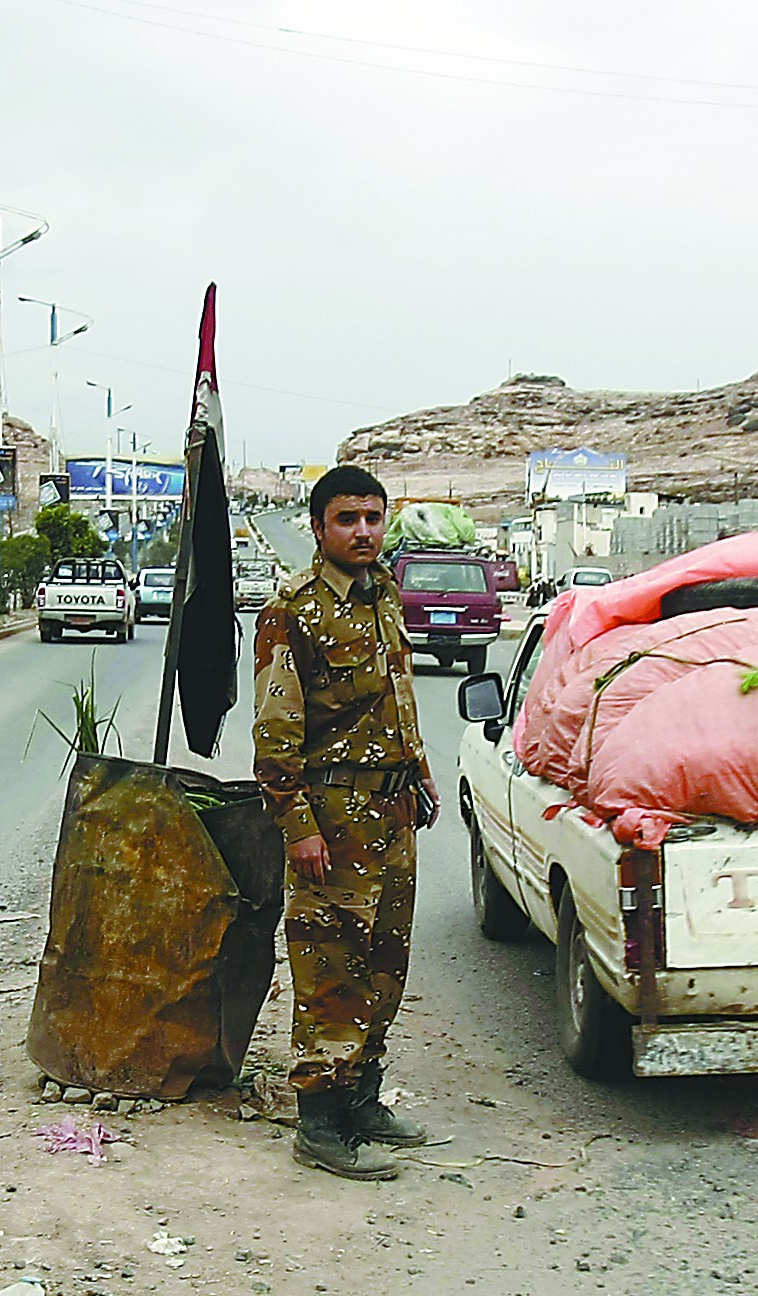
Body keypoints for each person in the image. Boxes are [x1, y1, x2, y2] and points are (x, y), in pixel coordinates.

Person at [252, 465, 442, 1180]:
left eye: (372, 516)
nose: (363, 531)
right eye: (347, 519)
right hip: (332, 820)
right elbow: (274, 733)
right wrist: (297, 825)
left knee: (385, 965)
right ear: (318, 527)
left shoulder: (383, 594)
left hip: (390, 815)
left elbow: (399, 696)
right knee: (330, 969)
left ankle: (364, 1100)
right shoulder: (292, 610)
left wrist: (419, 772)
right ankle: (320, 1123)